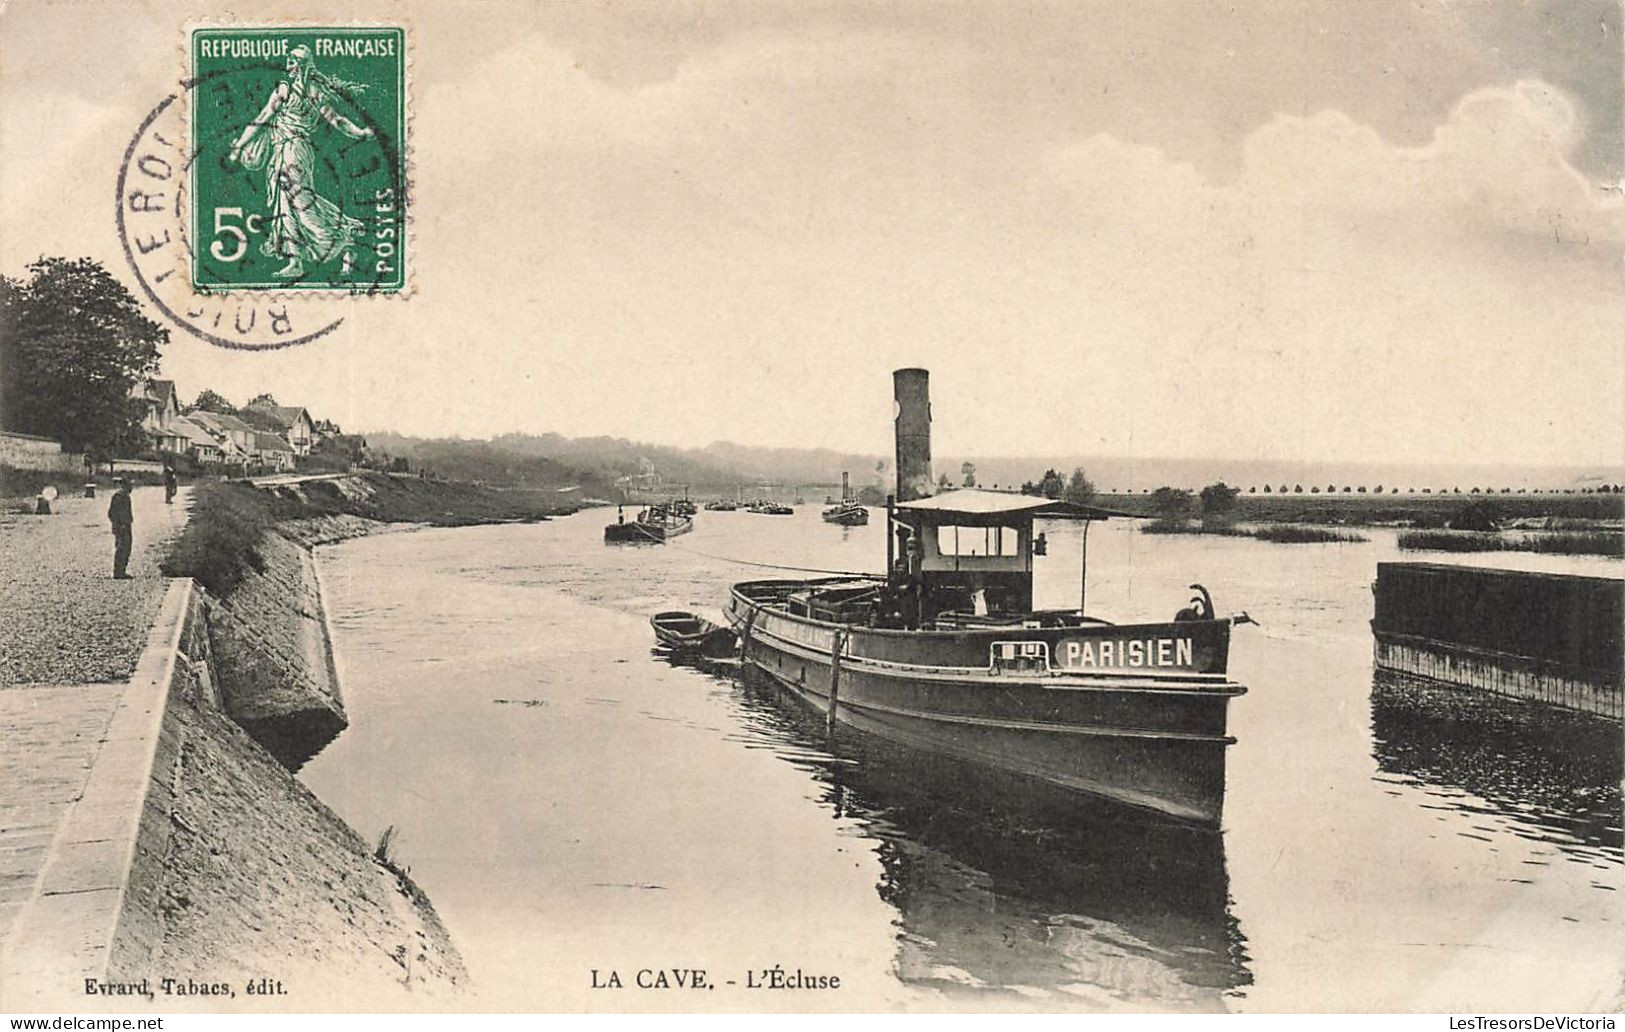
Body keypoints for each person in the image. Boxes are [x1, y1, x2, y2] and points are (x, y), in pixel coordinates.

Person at [228, 44, 375, 279]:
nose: (289, 61)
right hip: (290, 151)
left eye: (293, 58)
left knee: (299, 204)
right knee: (290, 203)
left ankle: (343, 239)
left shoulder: (289, 91)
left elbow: (262, 119)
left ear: (303, 65)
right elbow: (336, 120)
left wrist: (360, 133)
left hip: (292, 151)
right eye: (289, 57)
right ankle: (304, 258)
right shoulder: (307, 91)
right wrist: (359, 132)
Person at [108, 478, 134, 579]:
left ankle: (122, 570)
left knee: (126, 548)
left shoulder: (125, 496)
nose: (131, 488)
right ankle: (118, 572)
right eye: (130, 486)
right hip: (121, 526)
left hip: (126, 525)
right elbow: (112, 513)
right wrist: (119, 524)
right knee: (122, 548)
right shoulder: (119, 496)